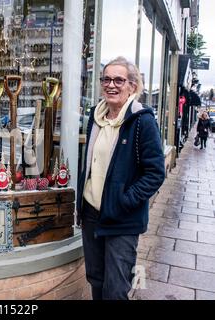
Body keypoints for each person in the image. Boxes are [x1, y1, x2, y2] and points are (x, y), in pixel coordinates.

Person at [76, 57, 166, 300]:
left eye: (119, 80)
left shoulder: (142, 121)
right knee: (96, 279)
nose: (111, 85)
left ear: (132, 86)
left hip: (122, 218)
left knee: (115, 289)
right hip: (92, 214)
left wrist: (124, 201)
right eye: (106, 79)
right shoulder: (96, 116)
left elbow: (156, 173)